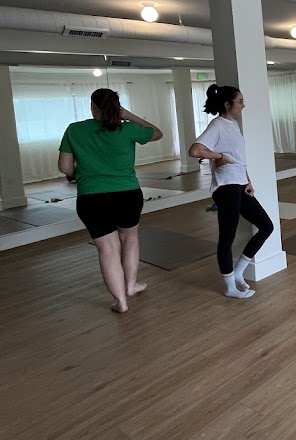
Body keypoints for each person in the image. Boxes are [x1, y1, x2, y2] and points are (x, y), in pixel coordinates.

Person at [58, 88, 163, 314]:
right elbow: (157, 133)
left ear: (93, 106)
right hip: (127, 194)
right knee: (130, 239)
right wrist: (129, 115)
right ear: (118, 107)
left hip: (91, 197)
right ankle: (131, 286)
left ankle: (121, 302)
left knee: (108, 249)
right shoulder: (128, 128)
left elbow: (64, 168)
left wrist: (84, 174)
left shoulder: (74, 130)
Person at [189, 84, 274, 299]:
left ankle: (237, 273)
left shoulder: (233, 124)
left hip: (239, 184)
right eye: (240, 101)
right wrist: (218, 156)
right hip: (226, 186)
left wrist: (248, 181)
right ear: (227, 104)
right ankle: (229, 287)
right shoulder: (217, 125)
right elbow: (195, 150)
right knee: (227, 236)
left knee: (266, 226)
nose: (243, 105)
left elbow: (238, 157)